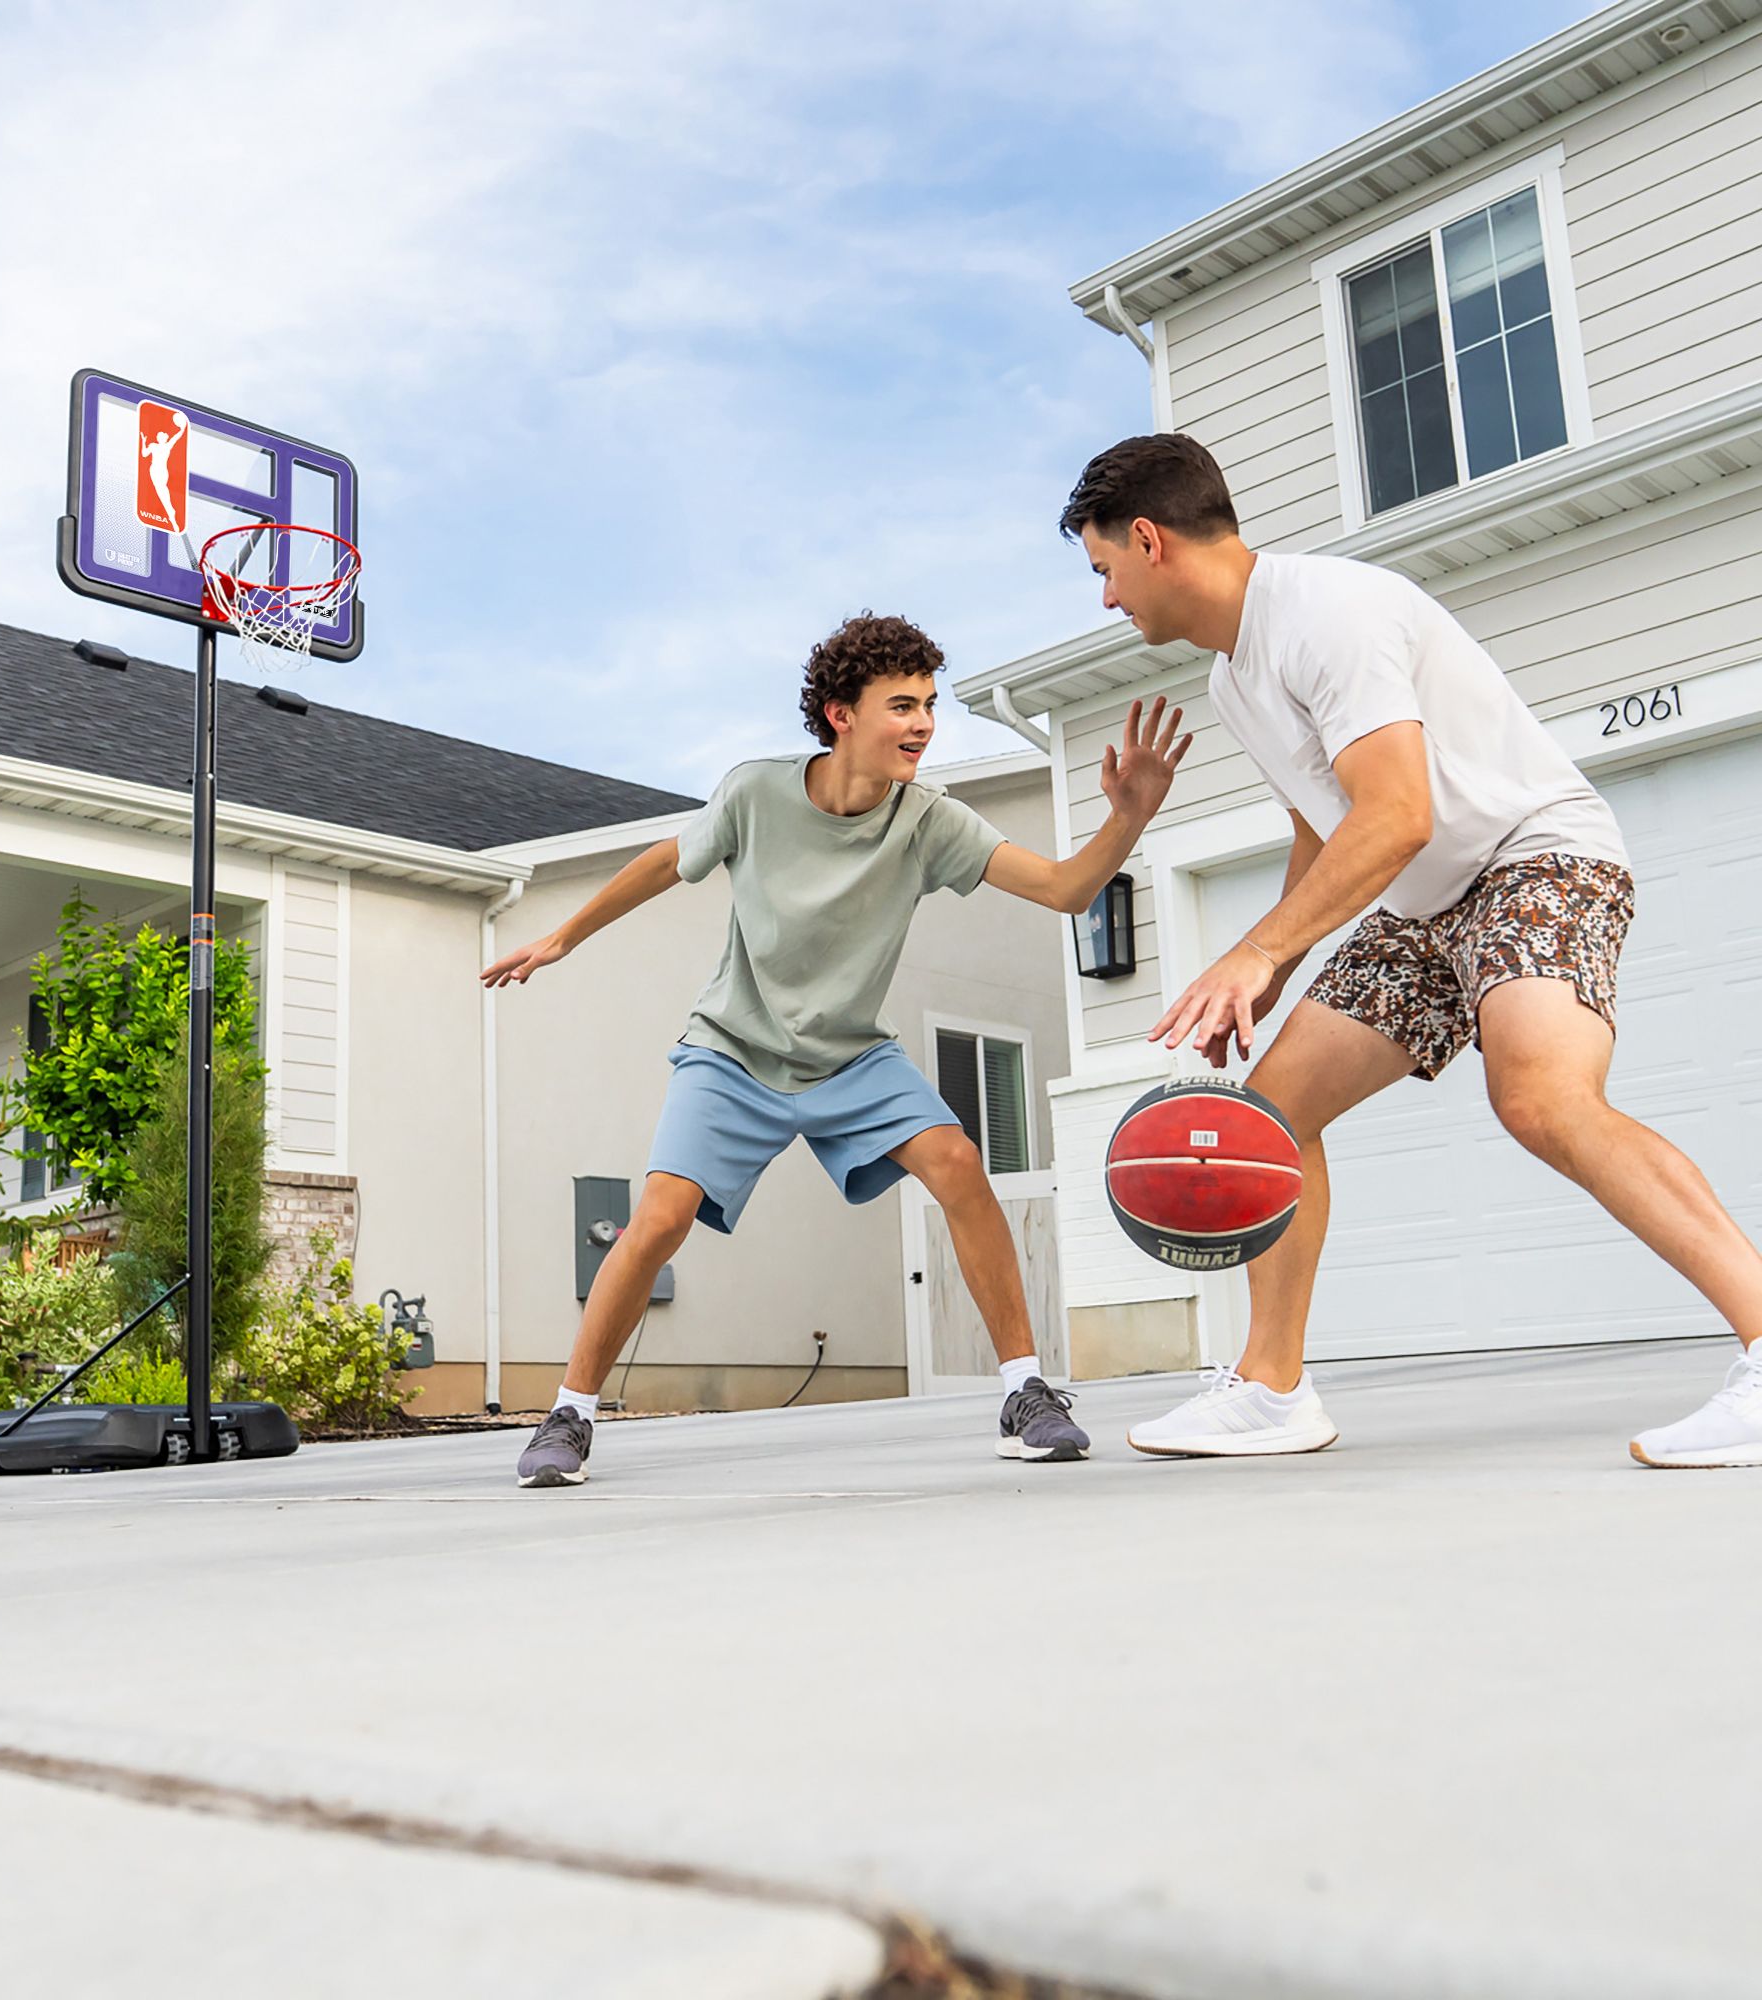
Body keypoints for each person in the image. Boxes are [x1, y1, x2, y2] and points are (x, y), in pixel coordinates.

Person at [1060, 432, 1762, 1468]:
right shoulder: (1233, 679)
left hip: (1535, 856)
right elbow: (1321, 826)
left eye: (1104, 568)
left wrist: (1253, 950)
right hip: (1423, 903)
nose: (1107, 597)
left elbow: (1395, 813)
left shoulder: (1326, 612)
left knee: (1542, 1098)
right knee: (1270, 1113)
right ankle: (1271, 1391)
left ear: (1149, 540)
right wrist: (1267, 974)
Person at [484, 612, 1191, 1487]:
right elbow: (667, 861)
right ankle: (570, 1414)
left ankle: (1025, 1392)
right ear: (841, 714)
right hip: (734, 1051)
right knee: (661, 1217)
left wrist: (1128, 816)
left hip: (852, 1058)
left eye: (929, 705)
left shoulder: (928, 821)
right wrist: (563, 937)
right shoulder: (755, 794)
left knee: (958, 1163)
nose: (924, 724)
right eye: (903, 705)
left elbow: (1065, 889)